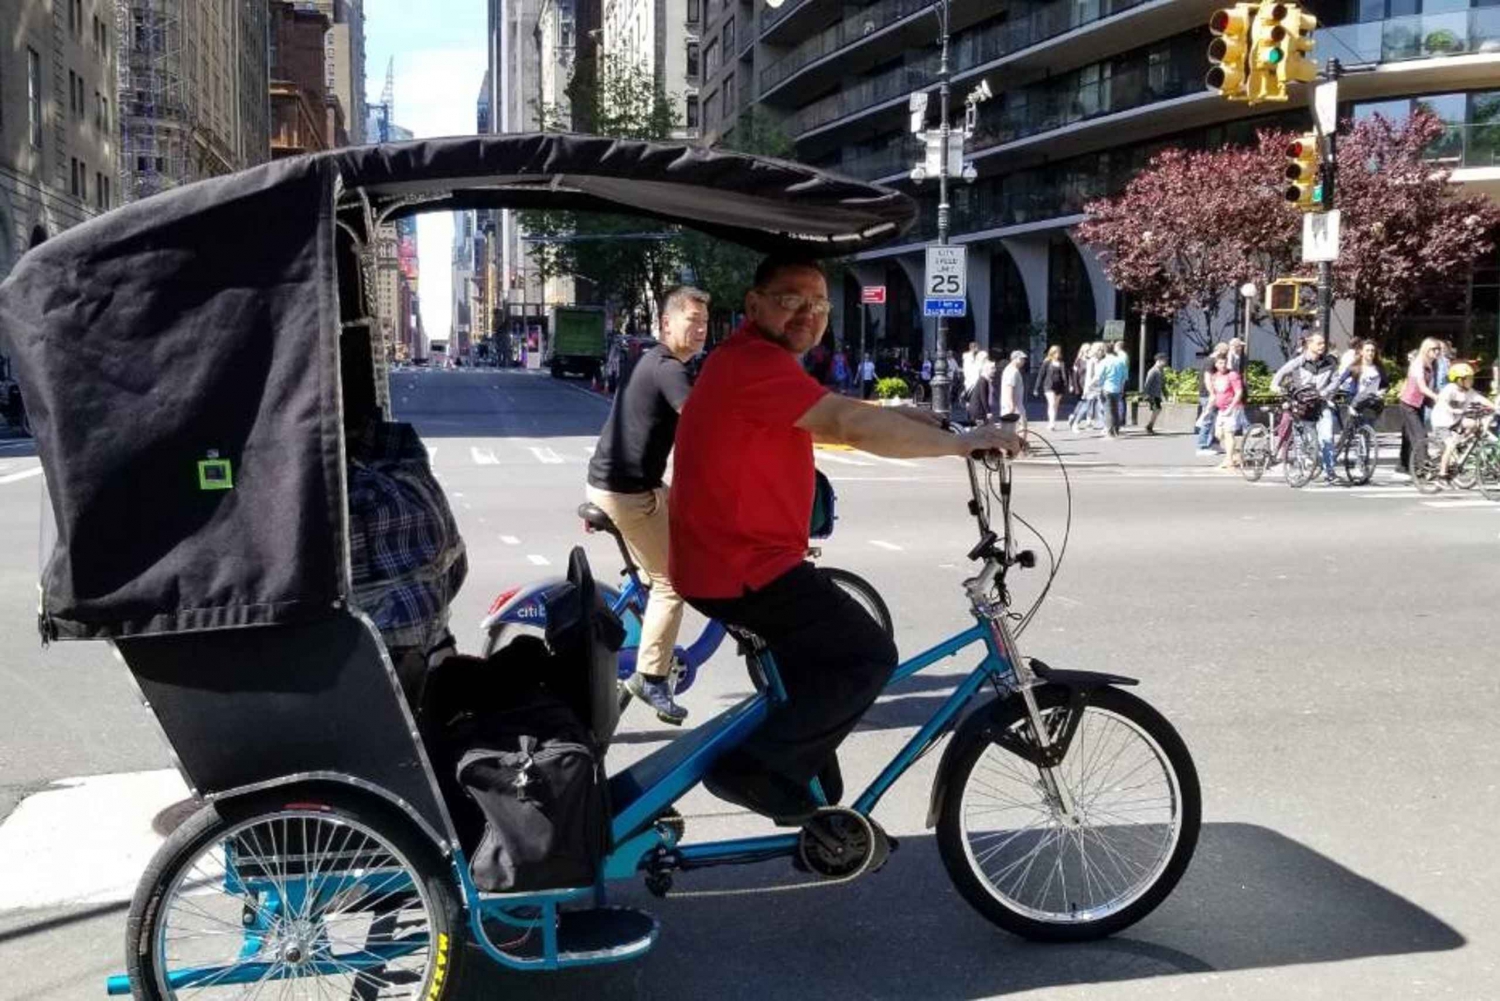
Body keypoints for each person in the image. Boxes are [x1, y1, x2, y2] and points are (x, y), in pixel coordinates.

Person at [668, 256, 1022, 823]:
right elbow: (845, 426)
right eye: (790, 300)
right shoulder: (754, 362)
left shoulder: (755, 361)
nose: (807, 314)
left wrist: (904, 414)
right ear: (754, 305)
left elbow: (834, 410)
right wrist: (964, 443)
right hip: (740, 567)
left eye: (819, 305)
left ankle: (799, 763)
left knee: (821, 662)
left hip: (730, 559)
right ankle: (754, 771)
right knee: (867, 654)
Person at [585, 286, 710, 723]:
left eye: (704, 322)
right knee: (671, 582)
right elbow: (699, 425)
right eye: (691, 320)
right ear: (666, 324)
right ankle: (651, 677)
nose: (699, 329)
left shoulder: (648, 361)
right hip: (627, 494)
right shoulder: (669, 369)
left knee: (696, 521)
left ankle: (644, 606)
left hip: (624, 485)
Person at [1272, 332, 1339, 483]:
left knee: (1327, 438)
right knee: (1303, 440)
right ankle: (1301, 467)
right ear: (1310, 345)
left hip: (1321, 404)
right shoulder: (1300, 361)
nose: (1322, 346)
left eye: (1323, 343)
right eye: (1319, 343)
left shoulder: (1330, 363)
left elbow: (1336, 381)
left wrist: (1326, 392)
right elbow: (1282, 372)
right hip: (1303, 406)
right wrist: (1274, 385)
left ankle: (1330, 472)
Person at [1432, 362, 1495, 480]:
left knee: (1475, 424)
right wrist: (1453, 410)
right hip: (1442, 422)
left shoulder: (1468, 391)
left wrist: (1495, 407)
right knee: (1451, 445)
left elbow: (1481, 399)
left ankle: (1462, 443)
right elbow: (1442, 402)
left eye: (1471, 378)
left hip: (1456, 421)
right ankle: (1442, 474)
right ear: (1459, 380)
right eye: (1468, 379)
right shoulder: (1449, 389)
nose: (1471, 381)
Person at [1398, 338, 1443, 481]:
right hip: (1409, 403)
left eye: (1438, 349)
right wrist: (1436, 397)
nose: (1436, 352)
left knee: (1408, 436)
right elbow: (1422, 387)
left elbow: (1431, 385)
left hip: (1421, 402)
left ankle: (1404, 465)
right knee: (1420, 434)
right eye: (1433, 349)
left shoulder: (1433, 364)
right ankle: (1423, 466)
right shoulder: (1418, 364)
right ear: (1426, 349)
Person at [1208, 354, 1245, 469]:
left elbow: (1239, 392)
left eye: (1224, 363)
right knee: (1218, 434)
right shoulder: (1215, 376)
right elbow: (1215, 394)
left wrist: (1231, 406)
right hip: (1221, 409)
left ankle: (1229, 459)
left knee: (1229, 433)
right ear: (1216, 364)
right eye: (1220, 363)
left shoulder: (1232, 375)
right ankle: (1235, 454)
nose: (1222, 365)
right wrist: (1208, 408)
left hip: (1233, 408)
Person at [1195, 343, 1229, 455]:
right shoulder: (1210, 361)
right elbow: (1207, 378)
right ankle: (1202, 446)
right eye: (1225, 352)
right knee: (1208, 420)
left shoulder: (1212, 360)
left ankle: (1214, 444)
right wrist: (1212, 393)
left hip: (1213, 393)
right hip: (1208, 394)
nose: (1226, 355)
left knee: (1216, 420)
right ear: (1220, 351)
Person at [1034, 345, 1068, 431]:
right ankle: (1051, 424)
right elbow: (1040, 375)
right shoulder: (1047, 362)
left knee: (1055, 406)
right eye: (1055, 352)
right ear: (1052, 353)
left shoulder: (1062, 363)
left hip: (1059, 387)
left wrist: (1067, 385)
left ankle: (1052, 422)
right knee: (1052, 403)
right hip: (1048, 386)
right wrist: (1036, 388)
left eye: (1059, 352)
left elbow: (1065, 375)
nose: (1057, 354)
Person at [1099, 343, 1128, 438]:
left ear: (1104, 351)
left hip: (1107, 388)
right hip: (1118, 388)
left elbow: (1099, 376)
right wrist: (1122, 388)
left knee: (1108, 410)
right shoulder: (1120, 361)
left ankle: (1109, 432)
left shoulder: (1104, 362)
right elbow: (1124, 377)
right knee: (1115, 410)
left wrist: (1094, 386)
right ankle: (1116, 430)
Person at [998, 350, 1028, 431]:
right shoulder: (1012, 371)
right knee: (1020, 428)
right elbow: (1009, 387)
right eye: (1021, 359)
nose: (1024, 361)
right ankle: (1018, 443)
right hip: (1014, 406)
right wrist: (1011, 405)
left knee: (1017, 428)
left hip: (1015, 405)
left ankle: (1017, 443)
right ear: (1015, 359)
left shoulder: (1013, 370)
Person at [1142, 353, 1168, 434]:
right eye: (1164, 360)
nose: (1166, 362)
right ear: (1158, 360)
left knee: (1157, 410)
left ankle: (1150, 426)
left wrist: (1165, 393)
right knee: (1157, 409)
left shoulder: (1161, 370)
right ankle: (1149, 427)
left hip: (1157, 394)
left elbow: (1163, 383)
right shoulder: (1153, 371)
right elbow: (1147, 383)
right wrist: (1145, 394)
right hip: (1152, 394)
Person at [967, 354, 994, 426]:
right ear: (986, 369)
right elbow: (983, 397)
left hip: (978, 411)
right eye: (992, 368)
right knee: (980, 432)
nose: (994, 370)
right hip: (978, 412)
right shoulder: (983, 380)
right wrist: (988, 412)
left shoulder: (985, 380)